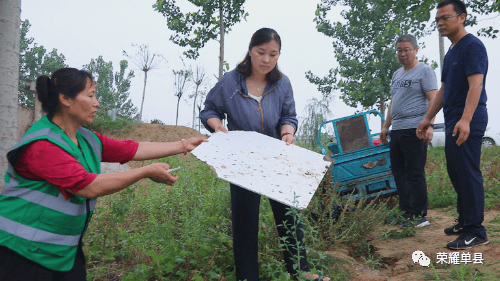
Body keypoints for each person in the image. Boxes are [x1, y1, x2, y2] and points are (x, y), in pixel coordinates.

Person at [0, 68, 207, 280]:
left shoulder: (87, 139)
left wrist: (184, 145)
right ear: (65, 99)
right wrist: (144, 172)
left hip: (61, 252)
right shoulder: (42, 144)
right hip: (21, 253)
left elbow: (133, 149)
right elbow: (87, 186)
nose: (97, 103)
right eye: (90, 95)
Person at [200, 28, 330, 281]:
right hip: (242, 159)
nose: (266, 60)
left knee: (289, 217)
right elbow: (209, 110)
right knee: (245, 221)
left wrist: (287, 133)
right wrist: (217, 126)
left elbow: (288, 117)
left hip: (276, 158)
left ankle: (300, 272)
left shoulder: (282, 84)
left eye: (273, 54)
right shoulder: (230, 82)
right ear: (250, 51)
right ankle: (247, 276)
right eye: (261, 52)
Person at [417, 0, 489, 250]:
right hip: (453, 118)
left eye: (445, 17)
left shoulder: (472, 46)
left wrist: (466, 119)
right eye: (437, 19)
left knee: (468, 173)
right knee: (456, 172)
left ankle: (475, 230)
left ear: (462, 17)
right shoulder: (452, 52)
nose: (440, 23)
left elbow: (476, 85)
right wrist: (428, 118)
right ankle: (464, 220)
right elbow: (445, 90)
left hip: (469, 116)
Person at [380, 34, 437, 228]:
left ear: (416, 50)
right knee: (398, 172)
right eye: (399, 50)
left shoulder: (425, 71)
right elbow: (393, 102)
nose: (402, 54)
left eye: (406, 50)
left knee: (414, 172)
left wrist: (429, 124)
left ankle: (420, 215)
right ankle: (406, 213)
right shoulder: (397, 74)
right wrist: (386, 126)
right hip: (397, 129)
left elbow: (433, 99)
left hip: (416, 128)